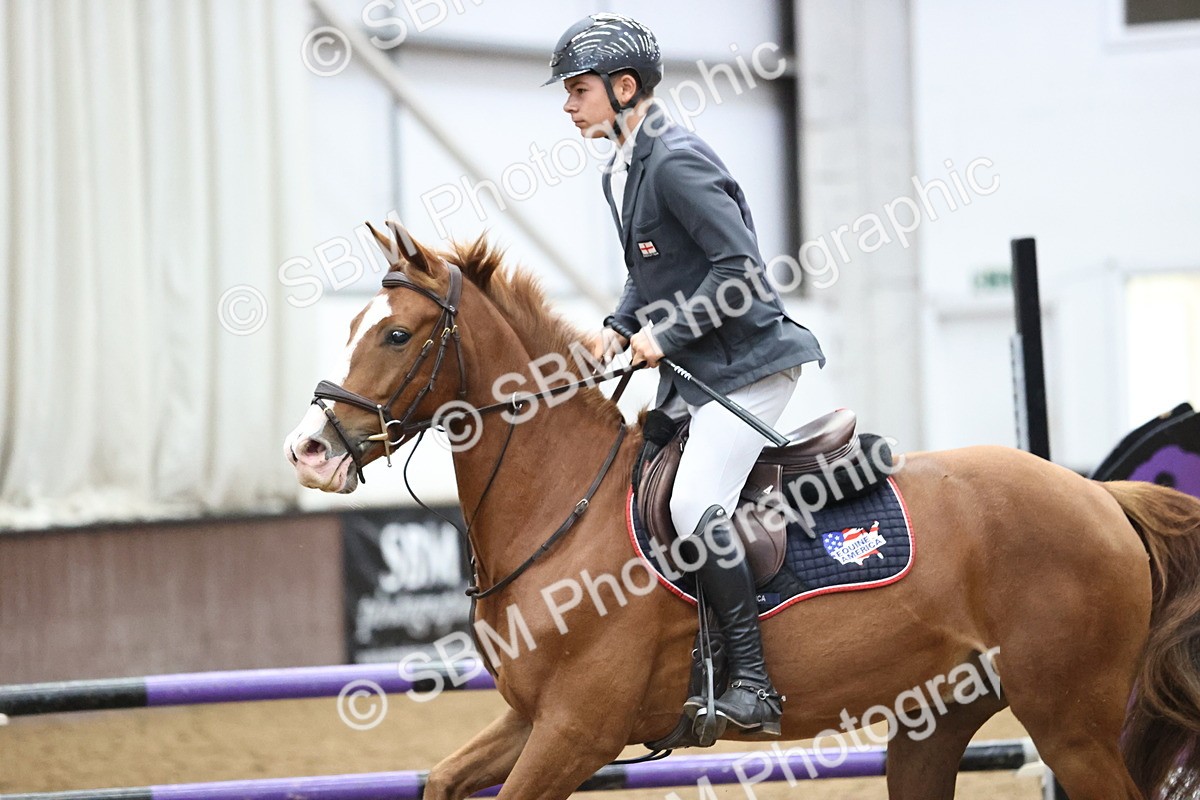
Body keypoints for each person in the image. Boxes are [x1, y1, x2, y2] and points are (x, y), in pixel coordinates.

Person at [547, 13, 825, 736]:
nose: (569, 104)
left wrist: (662, 336)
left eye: (578, 90)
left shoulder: (673, 160)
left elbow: (741, 271)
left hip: (750, 366)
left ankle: (756, 686)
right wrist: (616, 326)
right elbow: (653, 275)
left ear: (623, 86)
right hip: (701, 375)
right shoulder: (625, 169)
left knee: (694, 500)